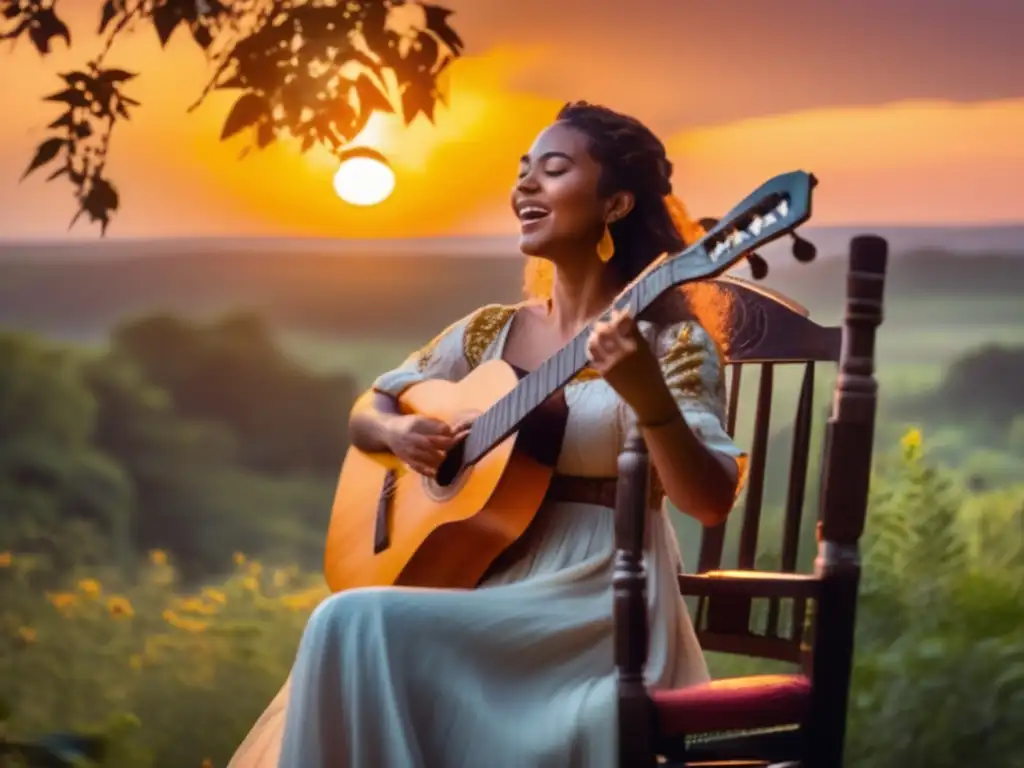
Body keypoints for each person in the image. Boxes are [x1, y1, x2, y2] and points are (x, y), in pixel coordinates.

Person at [227, 101, 748, 768]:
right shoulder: (488, 332)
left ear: (615, 204)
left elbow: (708, 500)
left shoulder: (670, 341)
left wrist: (648, 400)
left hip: (598, 602)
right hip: (488, 582)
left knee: (350, 621)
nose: (525, 186)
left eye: (553, 171)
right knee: (354, 620)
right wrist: (400, 430)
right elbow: (370, 405)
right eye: (523, 171)